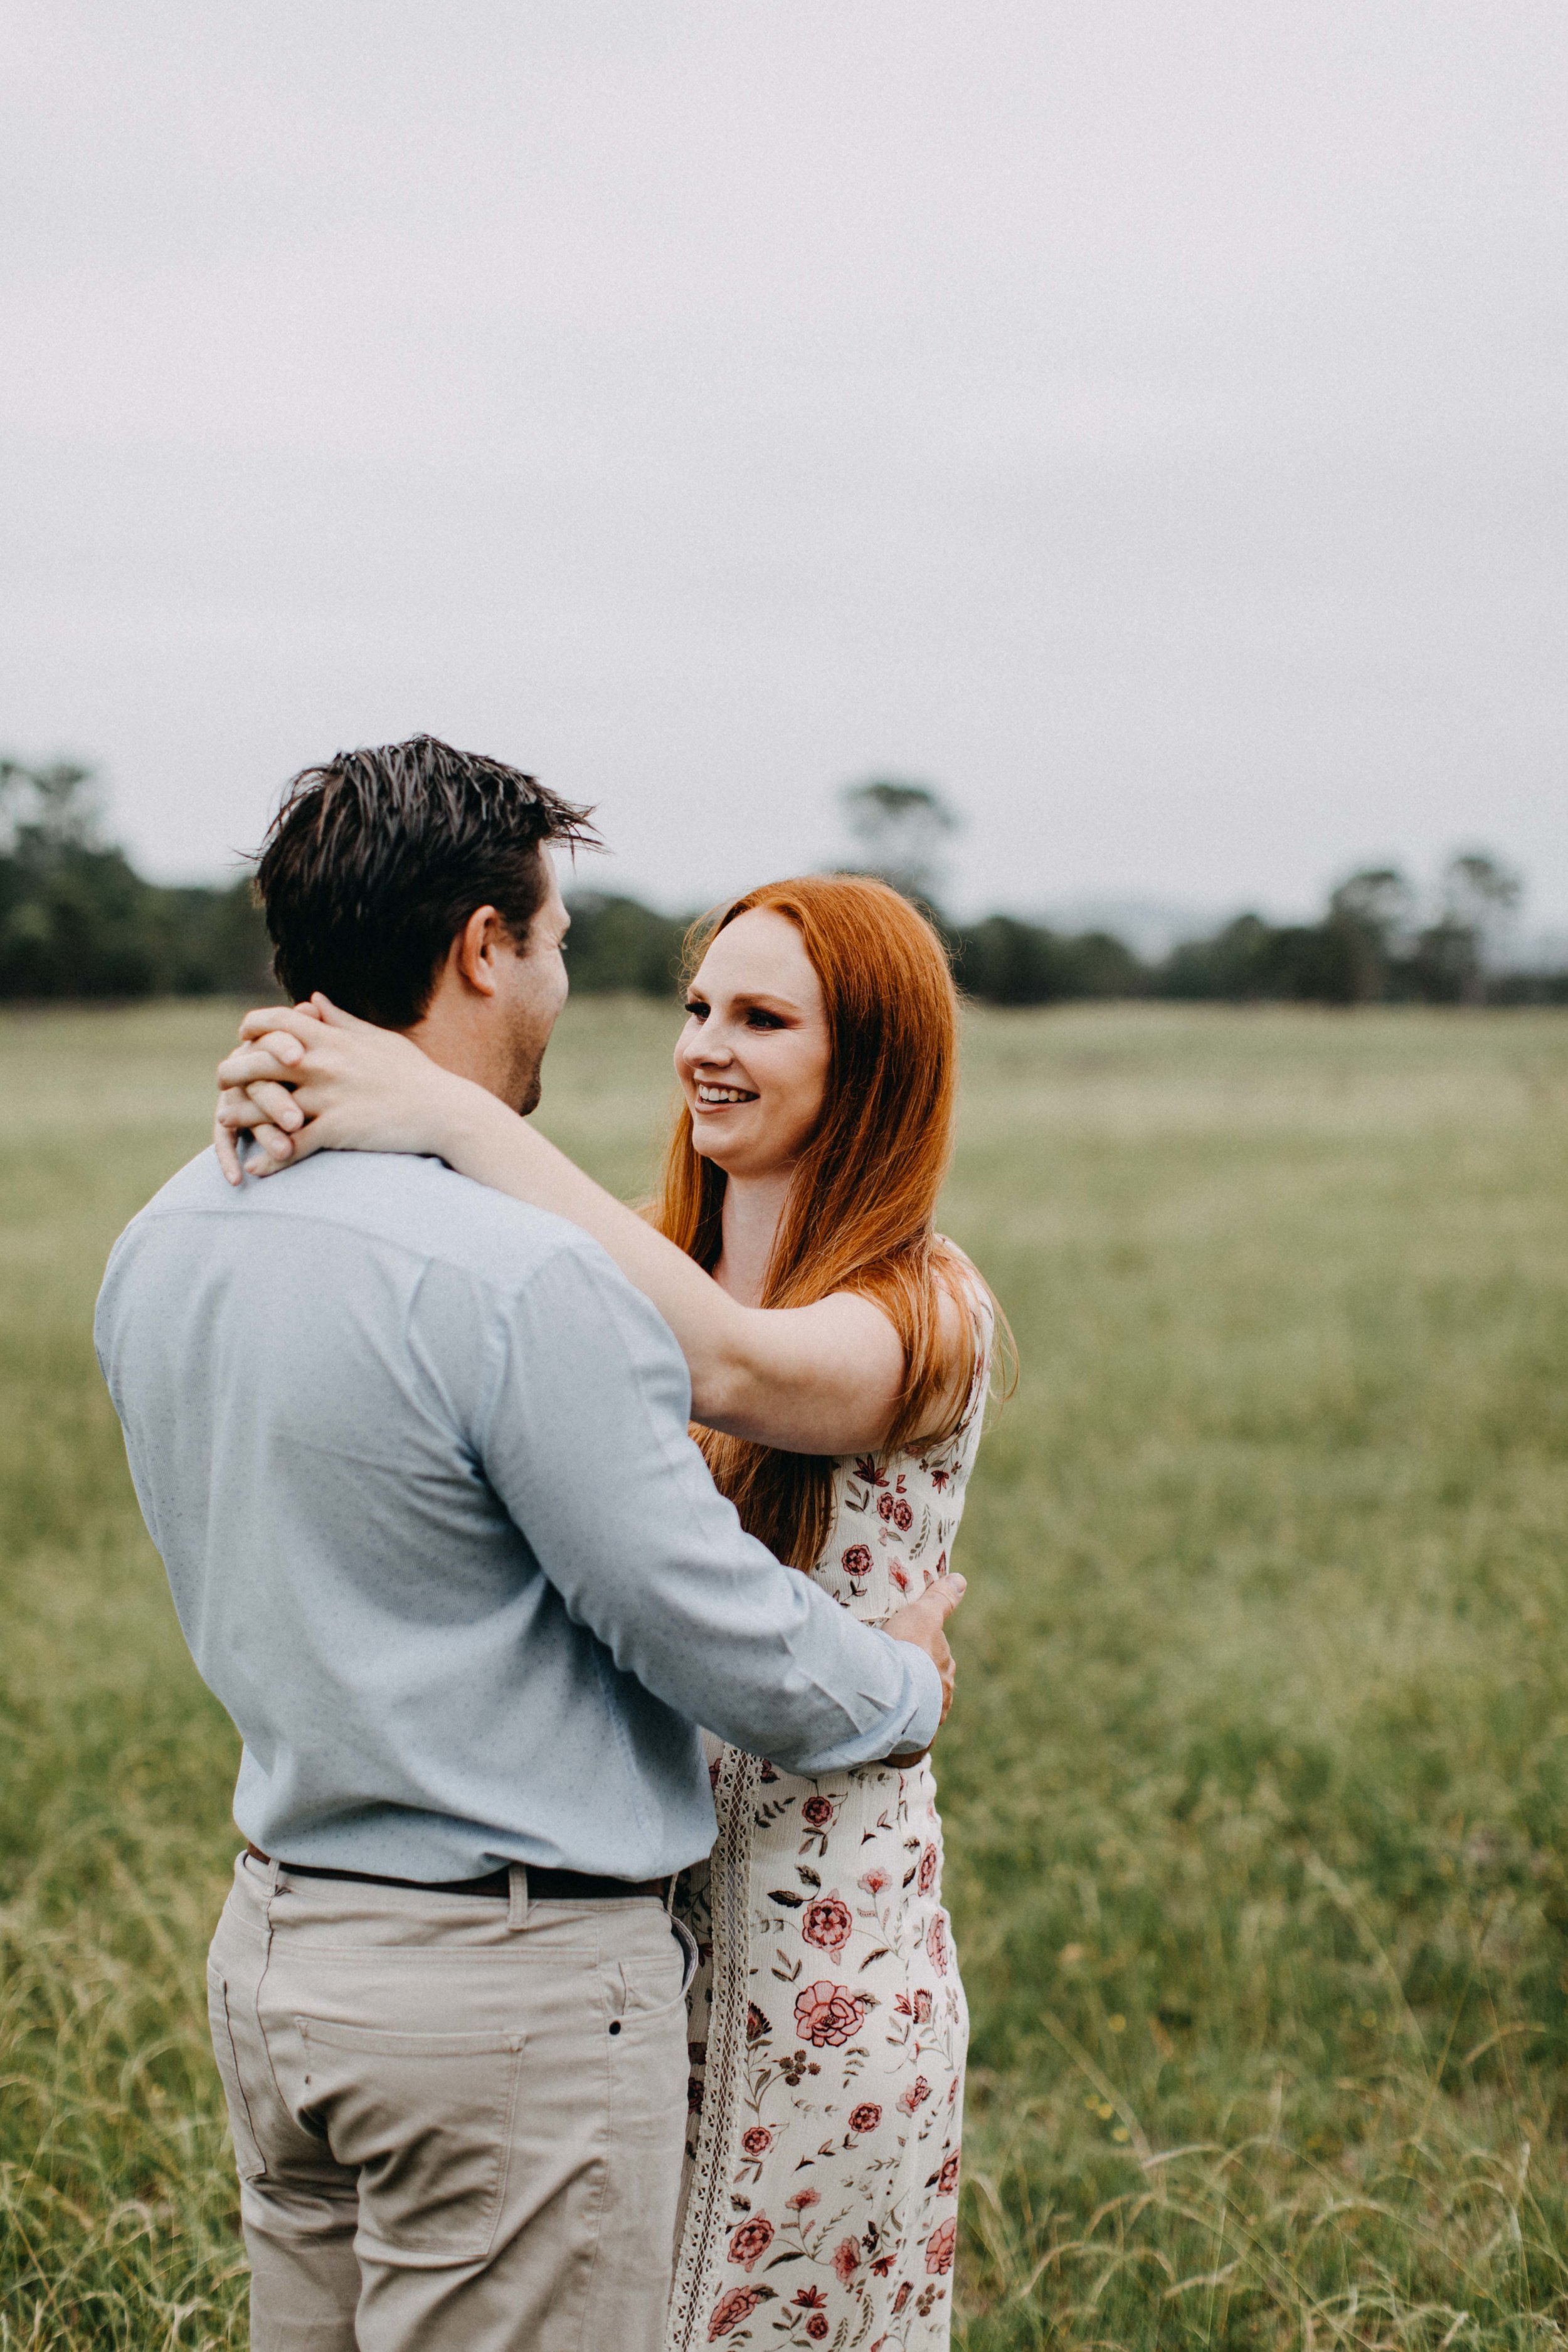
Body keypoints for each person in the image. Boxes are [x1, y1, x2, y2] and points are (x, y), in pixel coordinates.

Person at [95, 736, 967, 2352]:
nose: (583, 987)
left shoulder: (167, 1236)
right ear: (484, 947)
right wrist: (899, 1686)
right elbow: (694, 1617)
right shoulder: (526, 1282)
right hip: (494, 1994)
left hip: (278, 1947)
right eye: (559, 939)